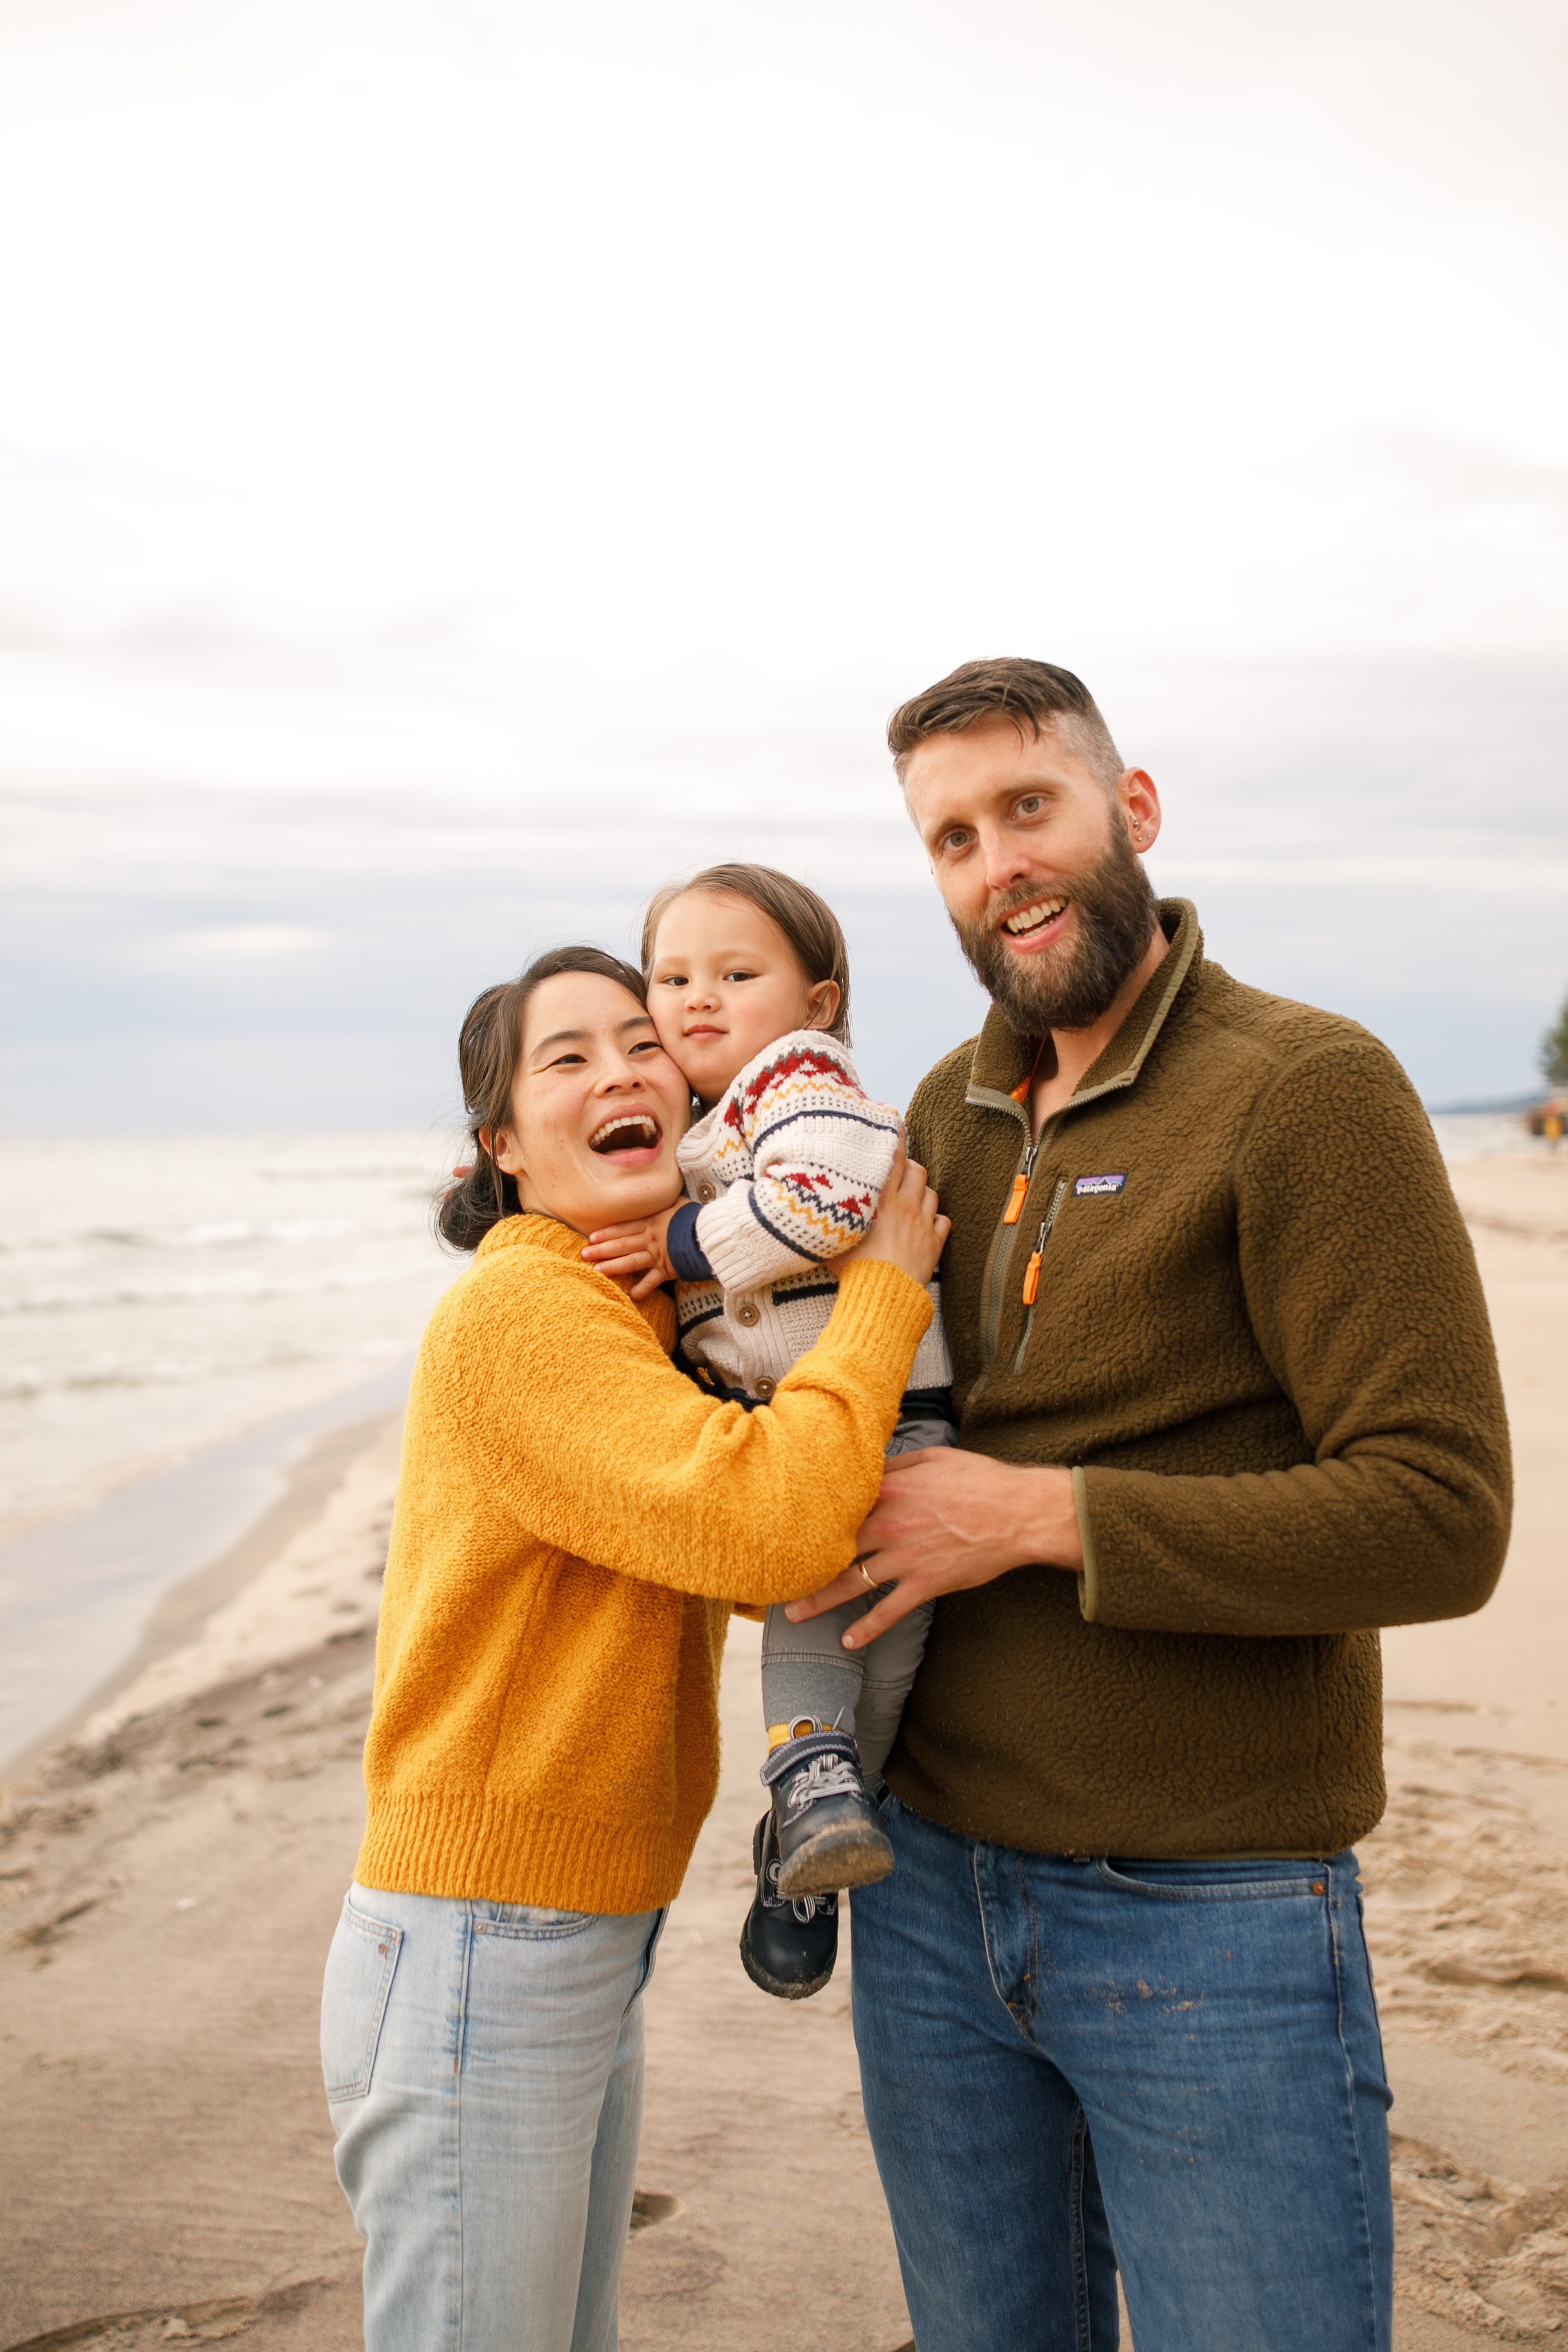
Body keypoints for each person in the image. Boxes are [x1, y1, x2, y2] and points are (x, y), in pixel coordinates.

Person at [786, 659, 1513, 2352]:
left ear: (1133, 806)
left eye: (1025, 807)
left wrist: (1041, 1518)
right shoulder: (934, 1124)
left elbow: (1438, 1512)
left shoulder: (1304, 1088)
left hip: (1210, 1914)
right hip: (927, 1904)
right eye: (951, 837)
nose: (998, 865)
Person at [319, 943, 945, 2352]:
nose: (619, 1072)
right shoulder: (527, 1309)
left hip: (559, 1930)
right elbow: (774, 1530)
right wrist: (883, 1295)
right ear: (503, 1144)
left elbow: (728, 1555)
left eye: (640, 1043)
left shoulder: (625, 1314)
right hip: (483, 1940)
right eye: (567, 1057)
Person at [580, 864, 955, 2000]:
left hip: (889, 1426)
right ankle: (808, 1804)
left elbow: (831, 1203)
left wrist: (685, 1241)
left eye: (737, 974)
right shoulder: (698, 1119)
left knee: (880, 1654)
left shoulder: (800, 1082)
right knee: (820, 1605)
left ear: (818, 1003)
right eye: (673, 975)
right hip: (801, 1434)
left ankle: (814, 1814)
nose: (698, 998)